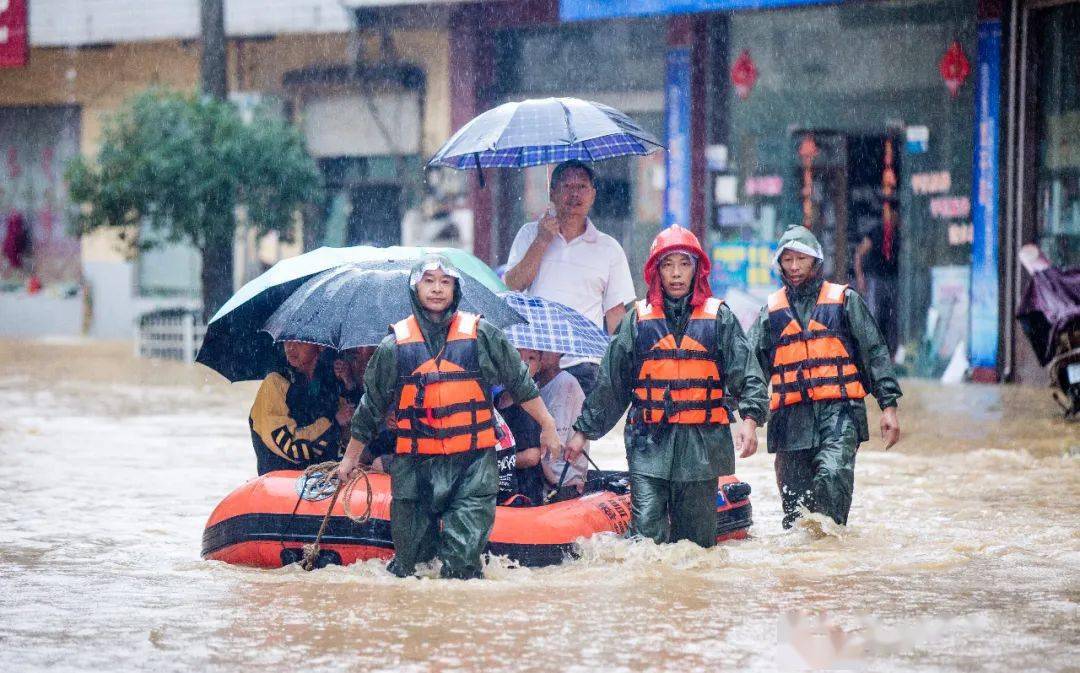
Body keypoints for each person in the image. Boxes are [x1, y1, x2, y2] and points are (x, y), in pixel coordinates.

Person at [337, 256, 561, 579]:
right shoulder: (393, 346)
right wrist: (348, 461)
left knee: (460, 570)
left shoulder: (482, 335)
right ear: (415, 288)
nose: (437, 289)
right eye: (429, 281)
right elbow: (370, 408)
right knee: (411, 568)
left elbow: (520, 383)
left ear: (456, 288)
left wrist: (548, 425)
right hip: (415, 467)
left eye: (445, 282)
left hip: (472, 466)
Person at [565, 226, 769, 547]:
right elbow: (611, 384)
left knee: (697, 545)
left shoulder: (720, 318)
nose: (675, 274)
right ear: (656, 271)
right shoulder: (637, 320)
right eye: (667, 264)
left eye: (684, 264)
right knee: (648, 536)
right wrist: (582, 432)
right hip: (649, 444)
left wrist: (750, 420)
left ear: (696, 269)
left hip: (703, 448)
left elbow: (747, 374)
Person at [748, 225, 902, 530]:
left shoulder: (845, 301)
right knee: (796, 516)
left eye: (801, 259)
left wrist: (889, 407)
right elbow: (752, 370)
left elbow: (874, 353)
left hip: (839, 415)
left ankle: (832, 567)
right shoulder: (771, 313)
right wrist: (750, 423)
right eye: (787, 259)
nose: (794, 267)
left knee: (832, 480)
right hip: (790, 423)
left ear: (816, 261)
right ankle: (806, 572)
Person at [503, 160, 637, 395]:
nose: (574, 194)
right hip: (534, 359)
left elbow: (616, 315)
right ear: (552, 192)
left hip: (584, 362)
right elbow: (513, 285)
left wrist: (622, 369)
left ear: (593, 194)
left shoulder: (609, 248)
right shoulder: (529, 234)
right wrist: (542, 240)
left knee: (572, 429)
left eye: (582, 187)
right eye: (566, 186)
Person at [249, 340, 354, 475]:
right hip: (281, 480)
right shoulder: (274, 383)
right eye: (286, 341)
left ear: (320, 346)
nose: (290, 347)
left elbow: (353, 435)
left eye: (299, 342)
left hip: (328, 477)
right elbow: (293, 449)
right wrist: (333, 422)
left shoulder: (330, 380)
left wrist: (349, 385)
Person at [534, 349, 589, 502]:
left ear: (558, 353)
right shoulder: (537, 385)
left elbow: (555, 442)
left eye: (544, 350)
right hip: (546, 474)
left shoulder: (565, 383)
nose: (540, 354)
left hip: (562, 479)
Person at [853, 210, 900, 356]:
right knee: (874, 314)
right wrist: (860, 277)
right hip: (875, 278)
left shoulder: (899, 234)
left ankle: (890, 352)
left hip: (892, 279)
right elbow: (859, 253)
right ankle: (871, 350)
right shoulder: (876, 231)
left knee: (891, 317)